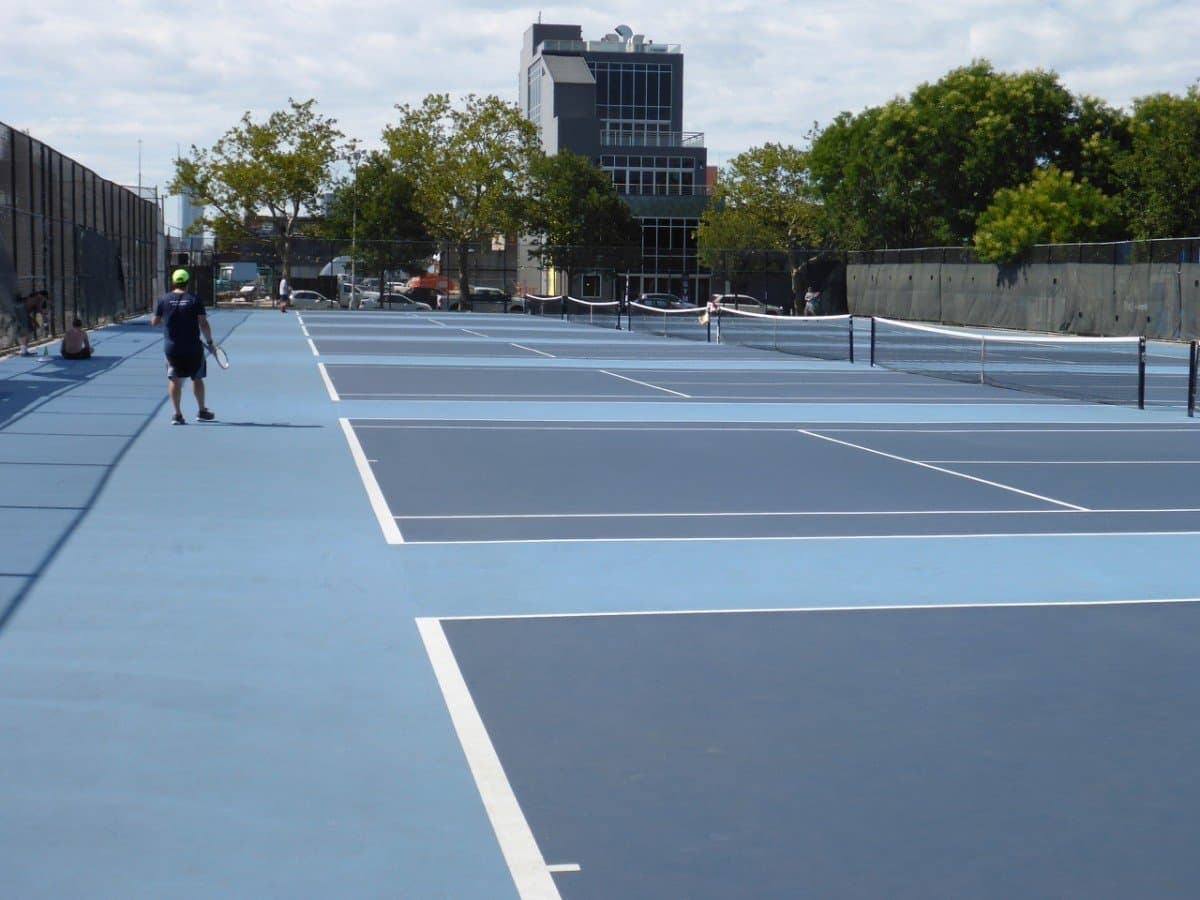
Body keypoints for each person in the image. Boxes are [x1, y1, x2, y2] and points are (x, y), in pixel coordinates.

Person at [152, 268, 216, 425]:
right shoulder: (195, 299)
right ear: (188, 282)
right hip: (193, 348)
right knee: (197, 378)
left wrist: (166, 324)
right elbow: (203, 323)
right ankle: (201, 411)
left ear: (174, 281)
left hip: (172, 349)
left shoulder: (164, 300)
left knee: (174, 380)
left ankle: (177, 415)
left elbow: (155, 323)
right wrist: (210, 343)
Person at [12, 289, 48, 355]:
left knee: (26, 331)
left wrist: (36, 321)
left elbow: (27, 313)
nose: (43, 301)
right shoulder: (38, 298)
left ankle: (24, 350)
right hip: (20, 310)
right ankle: (23, 351)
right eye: (44, 299)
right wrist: (44, 320)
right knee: (27, 331)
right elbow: (40, 310)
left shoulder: (35, 299)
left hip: (20, 311)